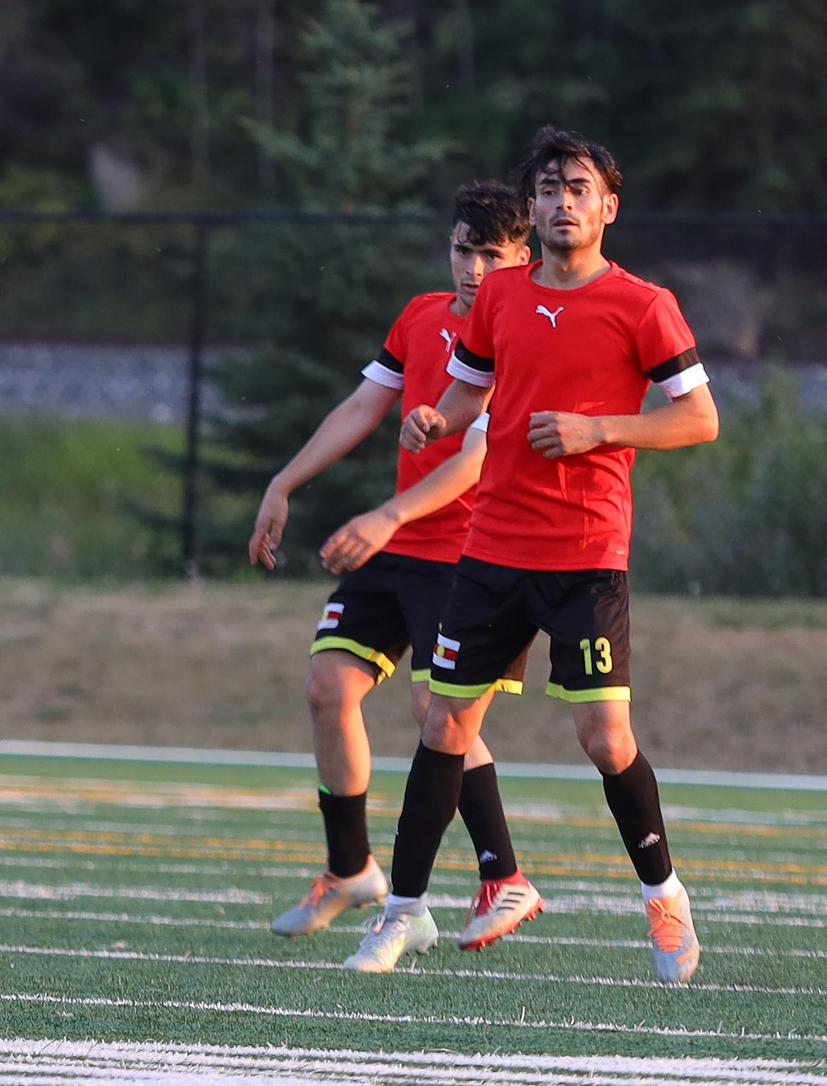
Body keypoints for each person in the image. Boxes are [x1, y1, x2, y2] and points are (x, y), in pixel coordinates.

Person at [346, 126, 718, 981]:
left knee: (604, 737)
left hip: (586, 554)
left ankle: (664, 897)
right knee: (443, 722)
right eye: (548, 189)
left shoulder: (643, 304)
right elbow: (471, 383)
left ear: (608, 207)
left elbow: (700, 418)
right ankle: (402, 914)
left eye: (577, 189)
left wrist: (601, 429)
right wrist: (436, 414)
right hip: (491, 549)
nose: (561, 203)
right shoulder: (503, 295)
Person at [251, 183, 542, 949]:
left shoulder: (524, 333)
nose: (474, 268)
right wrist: (283, 483)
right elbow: (360, 406)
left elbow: (478, 458)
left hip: (473, 555)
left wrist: (386, 515)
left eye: (492, 254)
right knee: (327, 686)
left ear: (522, 257)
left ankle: (502, 876)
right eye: (463, 249)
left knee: (432, 711)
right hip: (401, 549)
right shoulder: (420, 317)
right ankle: (350, 870)